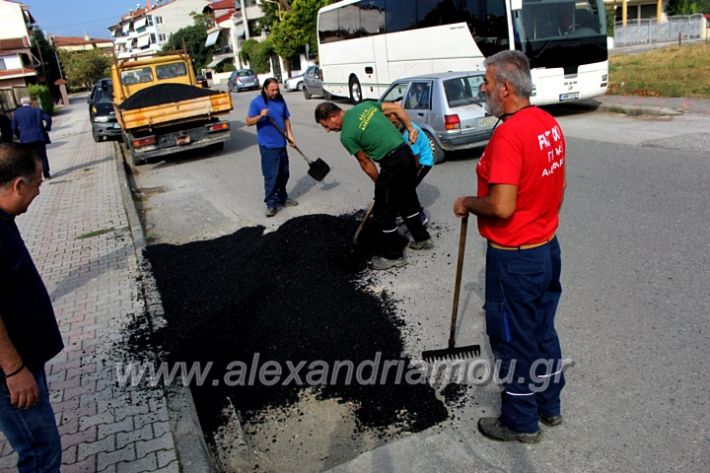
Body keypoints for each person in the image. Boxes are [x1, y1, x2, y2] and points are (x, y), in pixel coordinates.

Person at [453, 50, 567, 443]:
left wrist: (468, 202)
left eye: (486, 82)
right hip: (546, 250)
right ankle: (550, 405)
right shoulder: (546, 123)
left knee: (512, 341)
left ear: (504, 87)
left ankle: (521, 420)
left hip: (515, 259)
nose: (482, 88)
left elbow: (502, 206)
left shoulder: (508, 135)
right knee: (541, 331)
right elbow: (558, 188)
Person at [0, 143, 64, 471]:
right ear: (18, 185)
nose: (38, 192)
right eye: (37, 185)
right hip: (11, 373)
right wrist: (13, 371)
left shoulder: (3, 220)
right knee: (41, 451)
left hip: (23, 363)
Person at [315, 101, 432, 270]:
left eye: (326, 126)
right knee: (407, 200)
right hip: (406, 154)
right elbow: (397, 108)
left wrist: (381, 186)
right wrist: (411, 128)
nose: (327, 130)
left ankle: (394, 256)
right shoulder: (365, 106)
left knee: (383, 211)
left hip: (392, 163)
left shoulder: (346, 135)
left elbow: (365, 163)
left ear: (333, 116)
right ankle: (423, 239)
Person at [246, 78, 299, 217]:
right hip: (268, 146)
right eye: (272, 90)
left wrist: (290, 136)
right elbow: (248, 121)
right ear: (265, 89)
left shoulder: (280, 100)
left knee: (284, 173)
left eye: (277, 89)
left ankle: (282, 197)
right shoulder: (257, 102)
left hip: (281, 143)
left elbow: (286, 119)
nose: (275, 92)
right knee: (271, 176)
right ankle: (271, 204)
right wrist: (260, 116)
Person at [385, 112, 433, 225]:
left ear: (401, 119)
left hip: (423, 162)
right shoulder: (398, 130)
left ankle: (420, 215)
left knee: (407, 189)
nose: (393, 126)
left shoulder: (410, 132)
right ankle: (398, 211)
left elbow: (415, 159)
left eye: (395, 123)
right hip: (410, 160)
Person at [11, 97, 52, 179]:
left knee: (30, 158)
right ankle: (46, 174)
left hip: (26, 139)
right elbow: (48, 118)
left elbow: (13, 127)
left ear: (21, 103)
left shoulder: (17, 113)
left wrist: (19, 135)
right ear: (30, 103)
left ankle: (33, 176)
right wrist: (47, 128)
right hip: (39, 137)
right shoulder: (36, 110)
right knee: (43, 156)